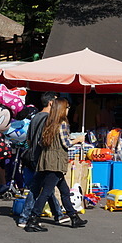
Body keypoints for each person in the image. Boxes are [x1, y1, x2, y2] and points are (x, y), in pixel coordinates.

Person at [23, 97, 86, 232]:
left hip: (45, 160)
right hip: (56, 162)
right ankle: (33, 219)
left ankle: (74, 217)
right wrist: (78, 140)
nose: (69, 110)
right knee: (45, 192)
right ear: (63, 109)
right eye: (67, 107)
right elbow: (66, 144)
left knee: (64, 190)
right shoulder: (62, 123)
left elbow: (41, 142)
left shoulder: (48, 122)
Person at [17, 92, 68, 228]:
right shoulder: (47, 119)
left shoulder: (35, 117)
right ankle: (26, 217)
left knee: (45, 188)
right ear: (51, 103)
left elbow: (28, 138)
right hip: (42, 157)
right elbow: (44, 140)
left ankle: (58, 214)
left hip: (33, 155)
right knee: (40, 189)